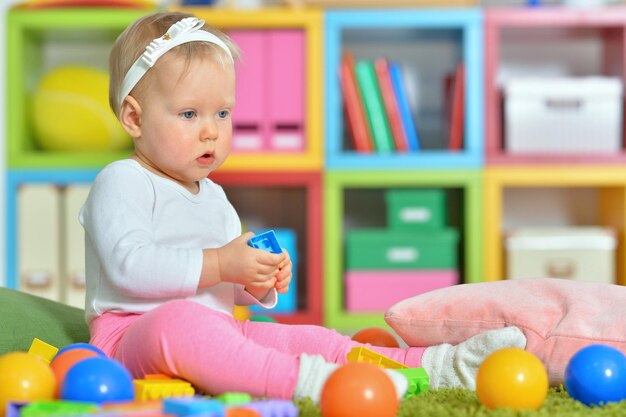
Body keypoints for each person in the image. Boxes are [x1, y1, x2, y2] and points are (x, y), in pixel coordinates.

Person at [80, 11, 526, 403]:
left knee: (305, 333)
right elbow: (130, 268)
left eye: (223, 114)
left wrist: (255, 281)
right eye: (190, 114)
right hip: (131, 339)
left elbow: (219, 290)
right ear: (134, 118)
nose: (212, 132)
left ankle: (431, 365)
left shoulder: (213, 196)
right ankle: (312, 382)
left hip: (216, 330)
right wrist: (221, 262)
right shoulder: (123, 180)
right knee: (180, 322)